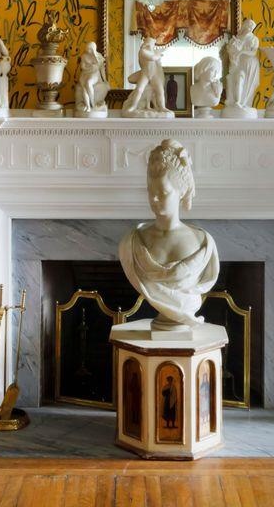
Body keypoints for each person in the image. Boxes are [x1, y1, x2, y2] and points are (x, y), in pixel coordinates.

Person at [118, 139, 220, 329]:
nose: (154, 198)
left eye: (163, 192)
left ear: (181, 192)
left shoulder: (203, 242)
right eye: (150, 191)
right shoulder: (132, 242)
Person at [122, 37, 170, 116]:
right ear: (146, 44)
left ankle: (162, 107)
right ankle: (133, 106)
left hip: (154, 74)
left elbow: (159, 59)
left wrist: (160, 52)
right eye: (150, 44)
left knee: (160, 91)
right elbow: (152, 58)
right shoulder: (143, 51)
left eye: (152, 44)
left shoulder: (153, 51)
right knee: (139, 89)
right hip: (145, 73)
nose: (151, 46)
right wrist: (158, 55)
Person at [224, 18, 260, 110]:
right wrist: (233, 53)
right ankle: (236, 102)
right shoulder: (237, 38)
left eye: (252, 27)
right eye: (249, 26)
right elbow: (231, 51)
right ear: (245, 25)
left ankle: (244, 104)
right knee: (236, 80)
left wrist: (241, 52)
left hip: (250, 63)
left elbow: (254, 52)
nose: (250, 28)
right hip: (238, 63)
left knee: (247, 84)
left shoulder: (254, 39)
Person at [75, 41, 108, 114]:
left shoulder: (99, 56)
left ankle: (92, 102)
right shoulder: (84, 56)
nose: (88, 50)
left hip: (95, 74)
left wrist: (104, 79)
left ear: (93, 49)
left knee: (88, 83)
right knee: (84, 88)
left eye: (90, 49)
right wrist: (90, 67)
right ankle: (88, 105)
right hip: (85, 73)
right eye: (87, 49)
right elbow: (82, 67)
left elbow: (102, 69)